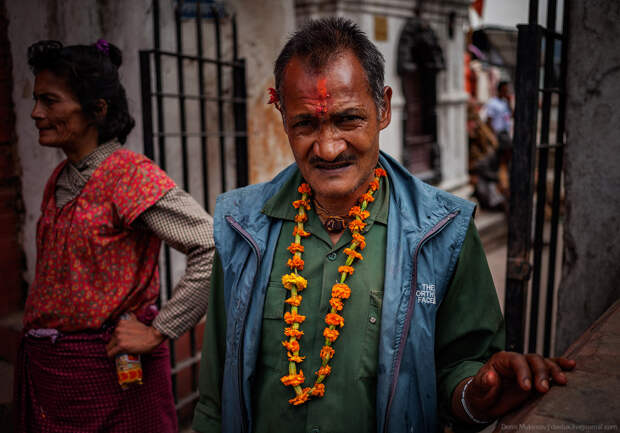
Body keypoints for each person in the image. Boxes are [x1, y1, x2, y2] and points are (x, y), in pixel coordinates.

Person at [192, 18, 574, 433]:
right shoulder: (241, 229)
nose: (328, 147)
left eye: (348, 119)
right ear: (283, 117)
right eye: (306, 123)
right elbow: (216, 394)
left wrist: (476, 395)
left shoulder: (444, 233)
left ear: (384, 108)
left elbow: (461, 371)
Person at [15, 40, 215, 432]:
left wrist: (159, 330)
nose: (36, 113)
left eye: (50, 101)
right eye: (37, 100)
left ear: (97, 110)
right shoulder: (60, 178)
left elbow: (211, 244)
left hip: (110, 379)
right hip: (55, 378)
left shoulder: (127, 175)